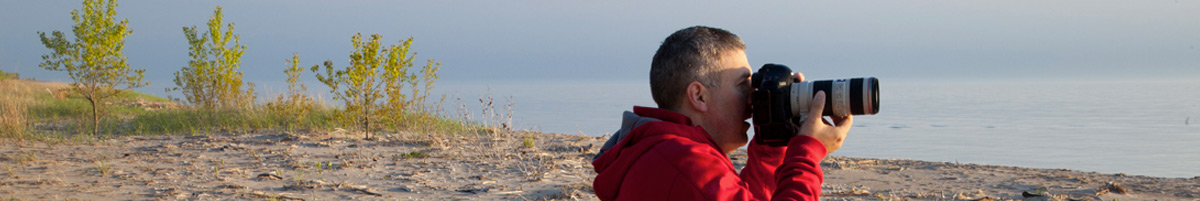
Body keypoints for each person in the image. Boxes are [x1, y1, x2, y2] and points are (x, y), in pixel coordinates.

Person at [591, 26, 854, 201]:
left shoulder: (667, 151)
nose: (753, 97)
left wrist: (771, 143)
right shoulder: (685, 162)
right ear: (699, 96)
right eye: (743, 85)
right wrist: (808, 152)